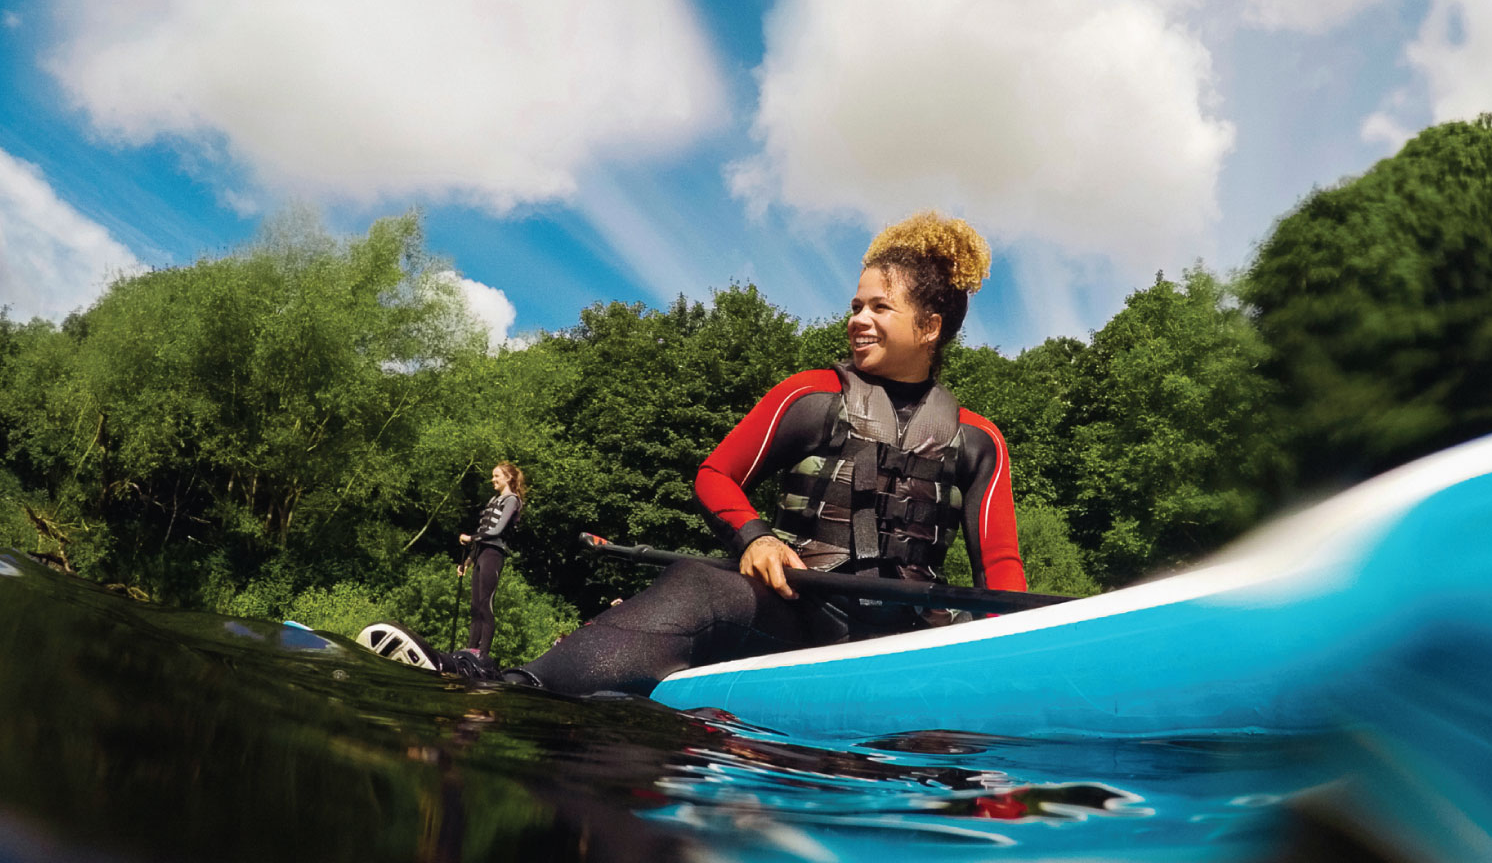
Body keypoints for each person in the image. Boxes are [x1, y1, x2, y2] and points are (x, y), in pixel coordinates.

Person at [363, 212, 1023, 696]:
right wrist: (757, 539)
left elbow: (1001, 566)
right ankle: (507, 688)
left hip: (912, 643)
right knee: (702, 585)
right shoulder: (811, 397)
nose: (857, 318)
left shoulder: (978, 441)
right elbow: (715, 475)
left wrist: (1020, 642)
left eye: (880, 306)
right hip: (803, 617)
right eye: (854, 304)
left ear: (929, 326)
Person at [457, 462, 525, 657]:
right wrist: (467, 562)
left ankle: (482, 654)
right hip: (480, 554)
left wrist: (471, 538)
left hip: (493, 554)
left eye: (496, 476)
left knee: (486, 605)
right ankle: (470, 651)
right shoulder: (493, 500)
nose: (492, 480)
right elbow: (483, 531)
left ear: (508, 478)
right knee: (475, 606)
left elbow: (496, 530)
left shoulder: (511, 500)